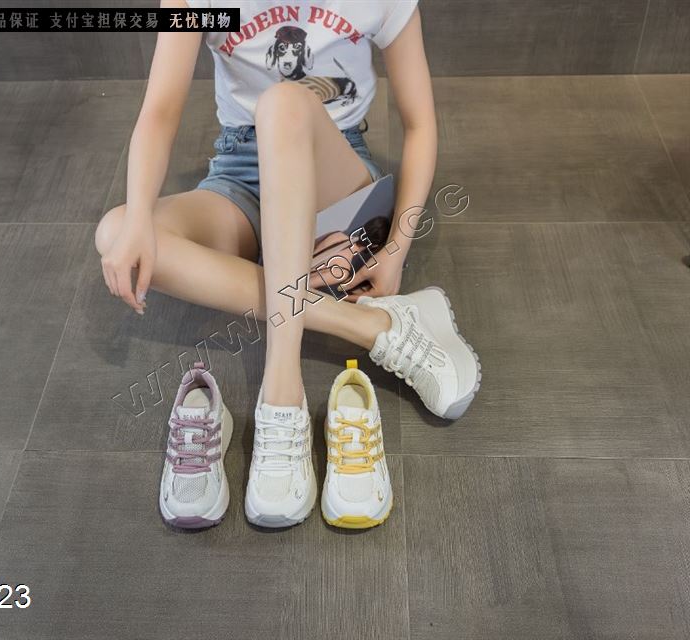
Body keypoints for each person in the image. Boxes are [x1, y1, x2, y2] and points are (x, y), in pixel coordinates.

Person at [95, 0, 481, 527]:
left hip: (333, 175)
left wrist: (396, 249)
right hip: (240, 170)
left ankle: (282, 392)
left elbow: (420, 125)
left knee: (283, 102)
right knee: (115, 230)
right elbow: (159, 110)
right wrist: (140, 215)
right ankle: (376, 326)